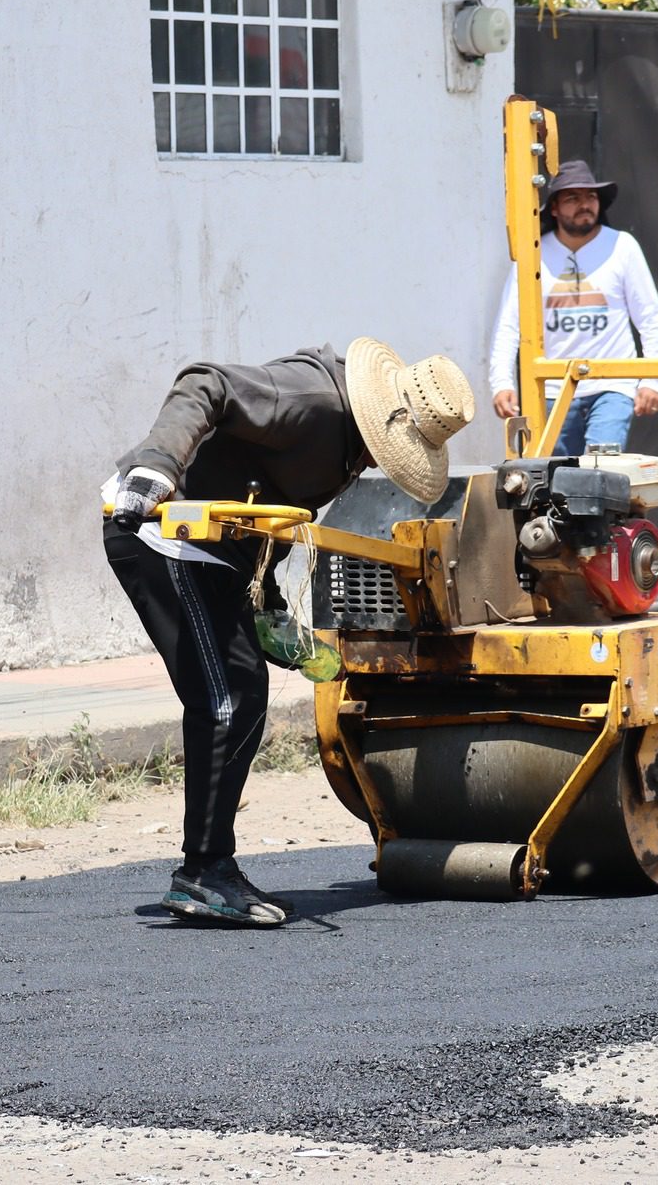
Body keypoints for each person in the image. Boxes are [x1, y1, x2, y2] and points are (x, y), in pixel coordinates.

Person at [102, 339, 474, 926]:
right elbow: (205, 384)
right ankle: (203, 873)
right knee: (228, 695)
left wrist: (269, 607)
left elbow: (265, 506)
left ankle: (208, 867)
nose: (383, 461)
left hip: (217, 552)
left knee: (241, 691)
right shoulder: (313, 401)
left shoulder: (347, 446)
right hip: (164, 530)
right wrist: (159, 465)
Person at [487, 159, 658, 456]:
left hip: (613, 386)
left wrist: (654, 381)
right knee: (556, 480)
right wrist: (501, 383)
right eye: (573, 198)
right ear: (555, 208)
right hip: (551, 390)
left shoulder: (622, 247)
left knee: (603, 469)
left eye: (591, 196)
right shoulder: (534, 254)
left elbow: (650, 317)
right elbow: (509, 323)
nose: (584, 204)